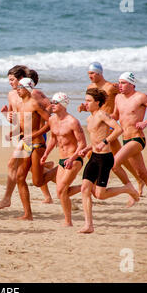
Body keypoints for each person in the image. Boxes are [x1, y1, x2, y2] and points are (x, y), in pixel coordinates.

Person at [77, 88, 139, 233]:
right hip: (93, 157)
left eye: (88, 101)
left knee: (100, 195)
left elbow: (118, 129)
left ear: (97, 103)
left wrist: (105, 142)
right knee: (84, 189)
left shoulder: (102, 115)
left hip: (105, 158)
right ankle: (89, 225)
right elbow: (95, 139)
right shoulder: (89, 118)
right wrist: (87, 149)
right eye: (85, 100)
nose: (85, 103)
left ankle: (127, 189)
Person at [79, 62, 145, 196]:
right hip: (99, 126)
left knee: (114, 158)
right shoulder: (90, 87)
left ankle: (136, 181)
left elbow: (125, 92)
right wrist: (84, 108)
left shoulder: (111, 87)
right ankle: (101, 185)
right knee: (104, 157)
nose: (90, 76)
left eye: (92, 73)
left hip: (109, 126)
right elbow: (94, 107)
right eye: (88, 73)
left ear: (99, 73)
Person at [0, 65, 53, 209]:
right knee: (32, 169)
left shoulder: (35, 94)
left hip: (35, 135)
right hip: (23, 135)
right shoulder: (11, 95)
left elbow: (50, 108)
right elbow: (16, 120)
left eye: (12, 80)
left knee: (12, 164)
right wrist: (7, 115)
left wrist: (41, 121)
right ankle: (50, 190)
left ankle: (7, 199)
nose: (10, 83)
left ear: (21, 79)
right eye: (9, 80)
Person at [111, 72, 147, 215]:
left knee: (114, 164)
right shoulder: (118, 98)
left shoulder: (140, 97)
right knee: (142, 173)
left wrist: (145, 122)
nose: (120, 85)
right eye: (119, 82)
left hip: (137, 139)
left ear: (131, 84)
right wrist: (97, 115)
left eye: (123, 83)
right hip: (125, 139)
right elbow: (116, 116)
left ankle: (131, 191)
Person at [6, 78, 52, 220]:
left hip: (37, 144)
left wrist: (34, 134)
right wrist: (12, 133)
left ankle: (57, 171)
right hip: (26, 145)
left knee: (38, 182)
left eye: (20, 87)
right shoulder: (20, 105)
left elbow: (50, 122)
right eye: (17, 87)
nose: (18, 89)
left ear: (28, 89)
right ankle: (28, 214)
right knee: (20, 178)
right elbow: (23, 125)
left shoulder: (35, 104)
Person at [40, 92, 87, 227]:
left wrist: (72, 158)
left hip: (75, 158)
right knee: (61, 192)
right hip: (62, 159)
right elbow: (53, 139)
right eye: (52, 102)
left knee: (61, 190)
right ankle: (87, 187)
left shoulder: (72, 122)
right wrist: (46, 154)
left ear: (63, 105)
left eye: (56, 103)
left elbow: (82, 144)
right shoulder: (52, 120)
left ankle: (68, 222)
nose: (52, 105)